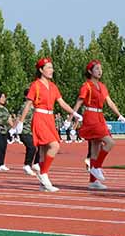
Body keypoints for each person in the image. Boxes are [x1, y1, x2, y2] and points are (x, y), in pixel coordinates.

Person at [20, 58, 83, 192]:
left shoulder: (53, 86)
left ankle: (43, 184)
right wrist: (20, 122)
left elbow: (61, 102)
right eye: (48, 67)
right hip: (39, 117)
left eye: (52, 67)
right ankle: (44, 174)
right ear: (41, 70)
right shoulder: (35, 85)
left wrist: (73, 113)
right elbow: (28, 104)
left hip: (50, 118)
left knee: (43, 152)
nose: (51, 70)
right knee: (54, 145)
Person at [71, 60, 125, 190]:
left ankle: (93, 181)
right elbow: (79, 102)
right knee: (110, 142)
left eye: (100, 69)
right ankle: (96, 167)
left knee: (95, 148)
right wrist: (70, 118)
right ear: (90, 71)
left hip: (100, 116)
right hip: (90, 116)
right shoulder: (86, 86)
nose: (100, 71)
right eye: (96, 69)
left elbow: (109, 102)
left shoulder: (102, 86)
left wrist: (119, 115)